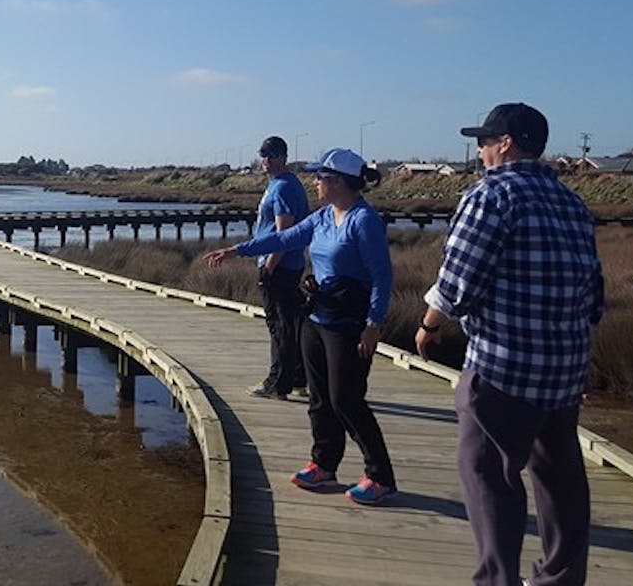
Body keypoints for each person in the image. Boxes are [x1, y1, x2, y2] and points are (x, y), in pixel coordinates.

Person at [416, 103, 603, 586]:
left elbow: (457, 283)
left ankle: (496, 579)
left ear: (506, 144)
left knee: (488, 475)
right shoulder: (570, 202)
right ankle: (559, 579)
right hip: (563, 371)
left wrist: (430, 325)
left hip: (502, 367)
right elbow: (593, 295)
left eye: (484, 140)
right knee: (560, 481)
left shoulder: (490, 195)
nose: (479, 150)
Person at [206, 148, 398, 505]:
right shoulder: (324, 216)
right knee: (320, 399)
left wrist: (374, 323)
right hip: (318, 318)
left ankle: (380, 475)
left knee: (347, 401)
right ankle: (324, 464)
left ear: (338, 181)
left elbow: (382, 276)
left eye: (320, 177)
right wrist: (238, 250)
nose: (315, 182)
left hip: (349, 324)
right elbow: (283, 239)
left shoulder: (363, 220)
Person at [245, 136, 311, 401]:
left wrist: (269, 267)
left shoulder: (283, 187)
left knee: (279, 326)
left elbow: (284, 232)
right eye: (262, 154)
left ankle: (276, 383)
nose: (265, 160)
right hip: (289, 265)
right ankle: (297, 379)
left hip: (281, 266)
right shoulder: (283, 183)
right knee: (292, 324)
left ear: (283, 156)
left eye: (270, 155)